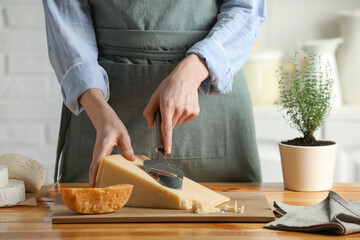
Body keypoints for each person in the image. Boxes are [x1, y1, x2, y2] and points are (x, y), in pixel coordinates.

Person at [43, 0, 266, 186]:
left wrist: (192, 72)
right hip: (100, 112)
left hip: (209, 98)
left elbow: (246, 10)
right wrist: (98, 109)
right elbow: (66, 21)